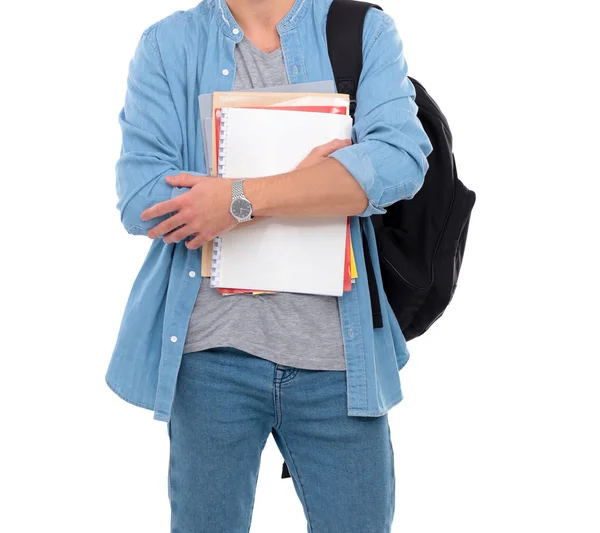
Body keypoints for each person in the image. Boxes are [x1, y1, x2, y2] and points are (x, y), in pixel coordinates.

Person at [106, 0, 433, 531]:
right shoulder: (168, 44)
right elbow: (141, 197)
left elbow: (398, 162)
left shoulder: (362, 31)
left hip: (339, 361)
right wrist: (320, 183)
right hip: (212, 359)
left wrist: (236, 199)